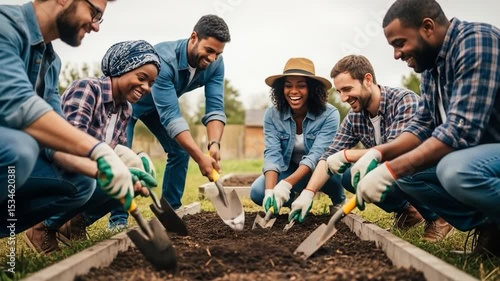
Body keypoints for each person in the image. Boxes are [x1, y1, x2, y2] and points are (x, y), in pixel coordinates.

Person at [0, 0, 154, 249]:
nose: (96, 27)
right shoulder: (5, 27)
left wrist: (105, 172)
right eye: (94, 13)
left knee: (82, 184)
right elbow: (19, 106)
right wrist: (98, 150)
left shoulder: (51, 63)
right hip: (11, 150)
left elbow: (55, 145)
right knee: (20, 148)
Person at [351, 0, 499, 255]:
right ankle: (492, 230)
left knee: (457, 171)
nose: (396, 54)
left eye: (400, 43)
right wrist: (380, 154)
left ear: (427, 27)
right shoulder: (432, 67)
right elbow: (422, 125)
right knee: (410, 171)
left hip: (485, 153)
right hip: (485, 155)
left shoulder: (476, 42)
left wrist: (390, 171)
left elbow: (459, 131)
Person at [289, 55, 451, 241]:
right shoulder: (354, 117)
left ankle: (438, 218)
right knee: (350, 178)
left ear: (367, 80)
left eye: (347, 89)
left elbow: (397, 150)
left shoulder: (403, 101)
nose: (343, 98)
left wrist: (347, 154)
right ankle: (408, 212)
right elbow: (329, 156)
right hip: (398, 173)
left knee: (401, 168)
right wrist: (308, 193)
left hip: (428, 171)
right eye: (340, 91)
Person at [21, 40, 161, 254]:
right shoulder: (87, 89)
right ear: (122, 68)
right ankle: (41, 227)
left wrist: (133, 174)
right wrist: (114, 171)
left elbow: (118, 153)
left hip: (82, 169)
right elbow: (69, 145)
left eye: (150, 83)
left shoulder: (125, 110)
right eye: (141, 78)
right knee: (112, 175)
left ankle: (73, 223)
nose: (146, 88)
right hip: (56, 167)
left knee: (129, 176)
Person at [127, 14, 231, 210]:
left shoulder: (216, 63)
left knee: (180, 150)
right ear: (194, 38)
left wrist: (214, 144)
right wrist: (200, 158)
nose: (212, 58)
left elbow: (215, 107)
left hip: (158, 108)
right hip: (130, 107)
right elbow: (172, 117)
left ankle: (170, 209)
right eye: (208, 50)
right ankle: (118, 219)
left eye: (217, 53)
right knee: (122, 157)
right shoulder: (164, 60)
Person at [249, 57, 345, 217]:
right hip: (291, 168)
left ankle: (338, 200)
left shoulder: (329, 115)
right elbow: (273, 153)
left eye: (301, 86)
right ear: (281, 89)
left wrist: (286, 184)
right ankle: (295, 198)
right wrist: (270, 191)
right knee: (257, 192)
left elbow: (317, 155)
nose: (293, 91)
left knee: (332, 171)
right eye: (288, 86)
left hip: (323, 170)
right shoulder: (272, 115)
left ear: (313, 89)